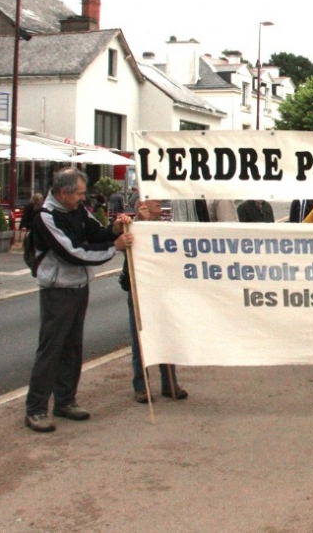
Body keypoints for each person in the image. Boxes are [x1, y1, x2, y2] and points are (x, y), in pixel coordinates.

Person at [24, 168, 131, 433]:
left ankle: (65, 401)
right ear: (63, 192)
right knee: (51, 348)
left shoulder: (78, 210)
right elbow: (72, 252)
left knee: (72, 347)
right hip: (57, 289)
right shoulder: (45, 217)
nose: (83, 198)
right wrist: (113, 247)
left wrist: (113, 229)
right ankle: (36, 408)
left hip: (79, 286)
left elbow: (94, 232)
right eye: (80, 194)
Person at [124, 199, 189, 403]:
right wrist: (138, 223)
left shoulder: (164, 227)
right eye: (154, 200)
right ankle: (141, 386)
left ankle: (170, 382)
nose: (159, 202)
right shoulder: (133, 229)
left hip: (163, 289)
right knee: (141, 340)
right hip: (141, 290)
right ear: (143, 204)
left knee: (167, 335)